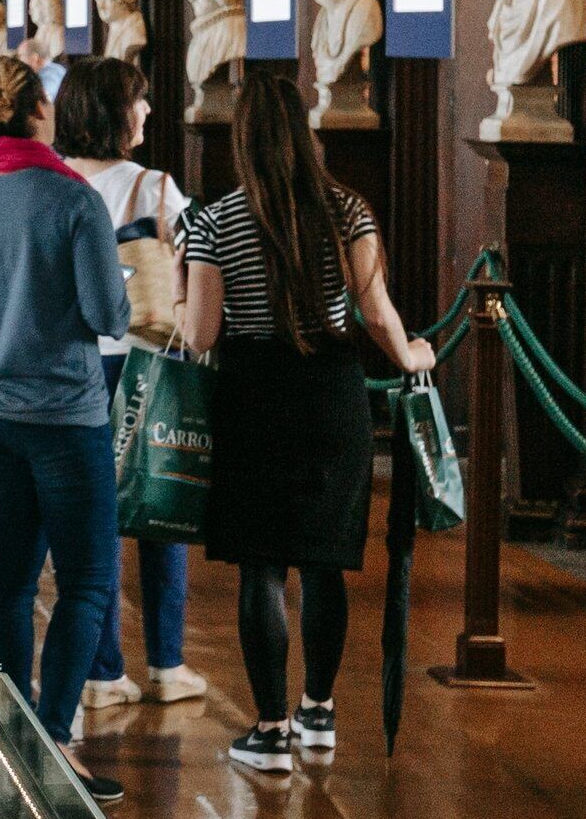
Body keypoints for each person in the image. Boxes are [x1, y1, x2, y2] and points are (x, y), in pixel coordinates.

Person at [182, 69, 437, 774]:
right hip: (331, 392)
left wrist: (178, 289)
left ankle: (268, 732)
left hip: (253, 394)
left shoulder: (215, 220)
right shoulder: (347, 210)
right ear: (303, 132)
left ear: (241, 140)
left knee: (262, 566)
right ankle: (318, 712)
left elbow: (201, 335)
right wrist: (412, 352)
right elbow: (373, 310)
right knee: (325, 561)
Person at [0, 57, 130, 802]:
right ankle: (53, 738)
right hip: (66, 415)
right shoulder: (74, 203)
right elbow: (110, 316)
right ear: (38, 111)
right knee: (85, 579)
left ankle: (14, 733)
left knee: (12, 576)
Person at [51, 58, 208, 711]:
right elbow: (196, 264)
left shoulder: (51, 184)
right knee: (159, 504)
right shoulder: (154, 188)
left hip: (73, 364)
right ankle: (167, 663)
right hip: (143, 359)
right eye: (138, 103)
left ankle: (102, 671)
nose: (146, 113)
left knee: (96, 521)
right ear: (116, 112)